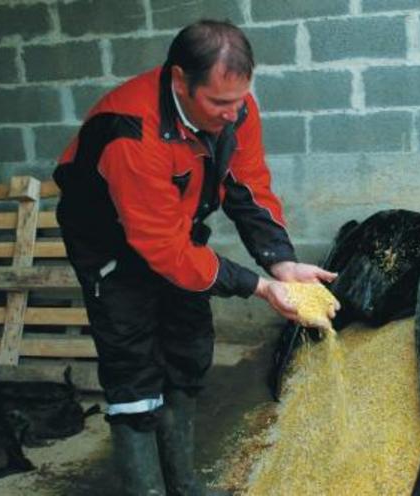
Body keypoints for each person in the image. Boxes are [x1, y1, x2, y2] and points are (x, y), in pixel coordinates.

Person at [53, 19, 337, 496]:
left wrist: (281, 262)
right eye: (219, 103)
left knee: (188, 350)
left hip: (171, 228)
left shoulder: (236, 109)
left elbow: (248, 186)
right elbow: (161, 247)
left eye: (240, 99)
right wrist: (260, 288)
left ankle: (183, 483)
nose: (233, 113)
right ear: (180, 80)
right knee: (134, 366)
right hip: (111, 245)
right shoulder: (130, 132)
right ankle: (147, 488)